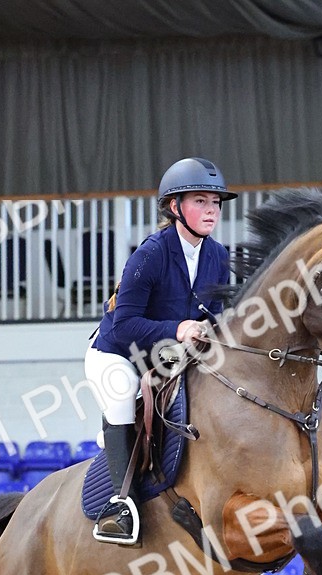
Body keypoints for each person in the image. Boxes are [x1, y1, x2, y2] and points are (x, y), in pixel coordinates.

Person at [85, 156, 237, 545]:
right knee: (121, 397)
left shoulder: (217, 256)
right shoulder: (151, 254)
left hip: (169, 353)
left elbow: (216, 315)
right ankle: (120, 506)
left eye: (215, 203)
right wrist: (179, 327)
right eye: (200, 201)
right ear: (175, 207)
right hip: (119, 354)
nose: (211, 210)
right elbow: (125, 323)